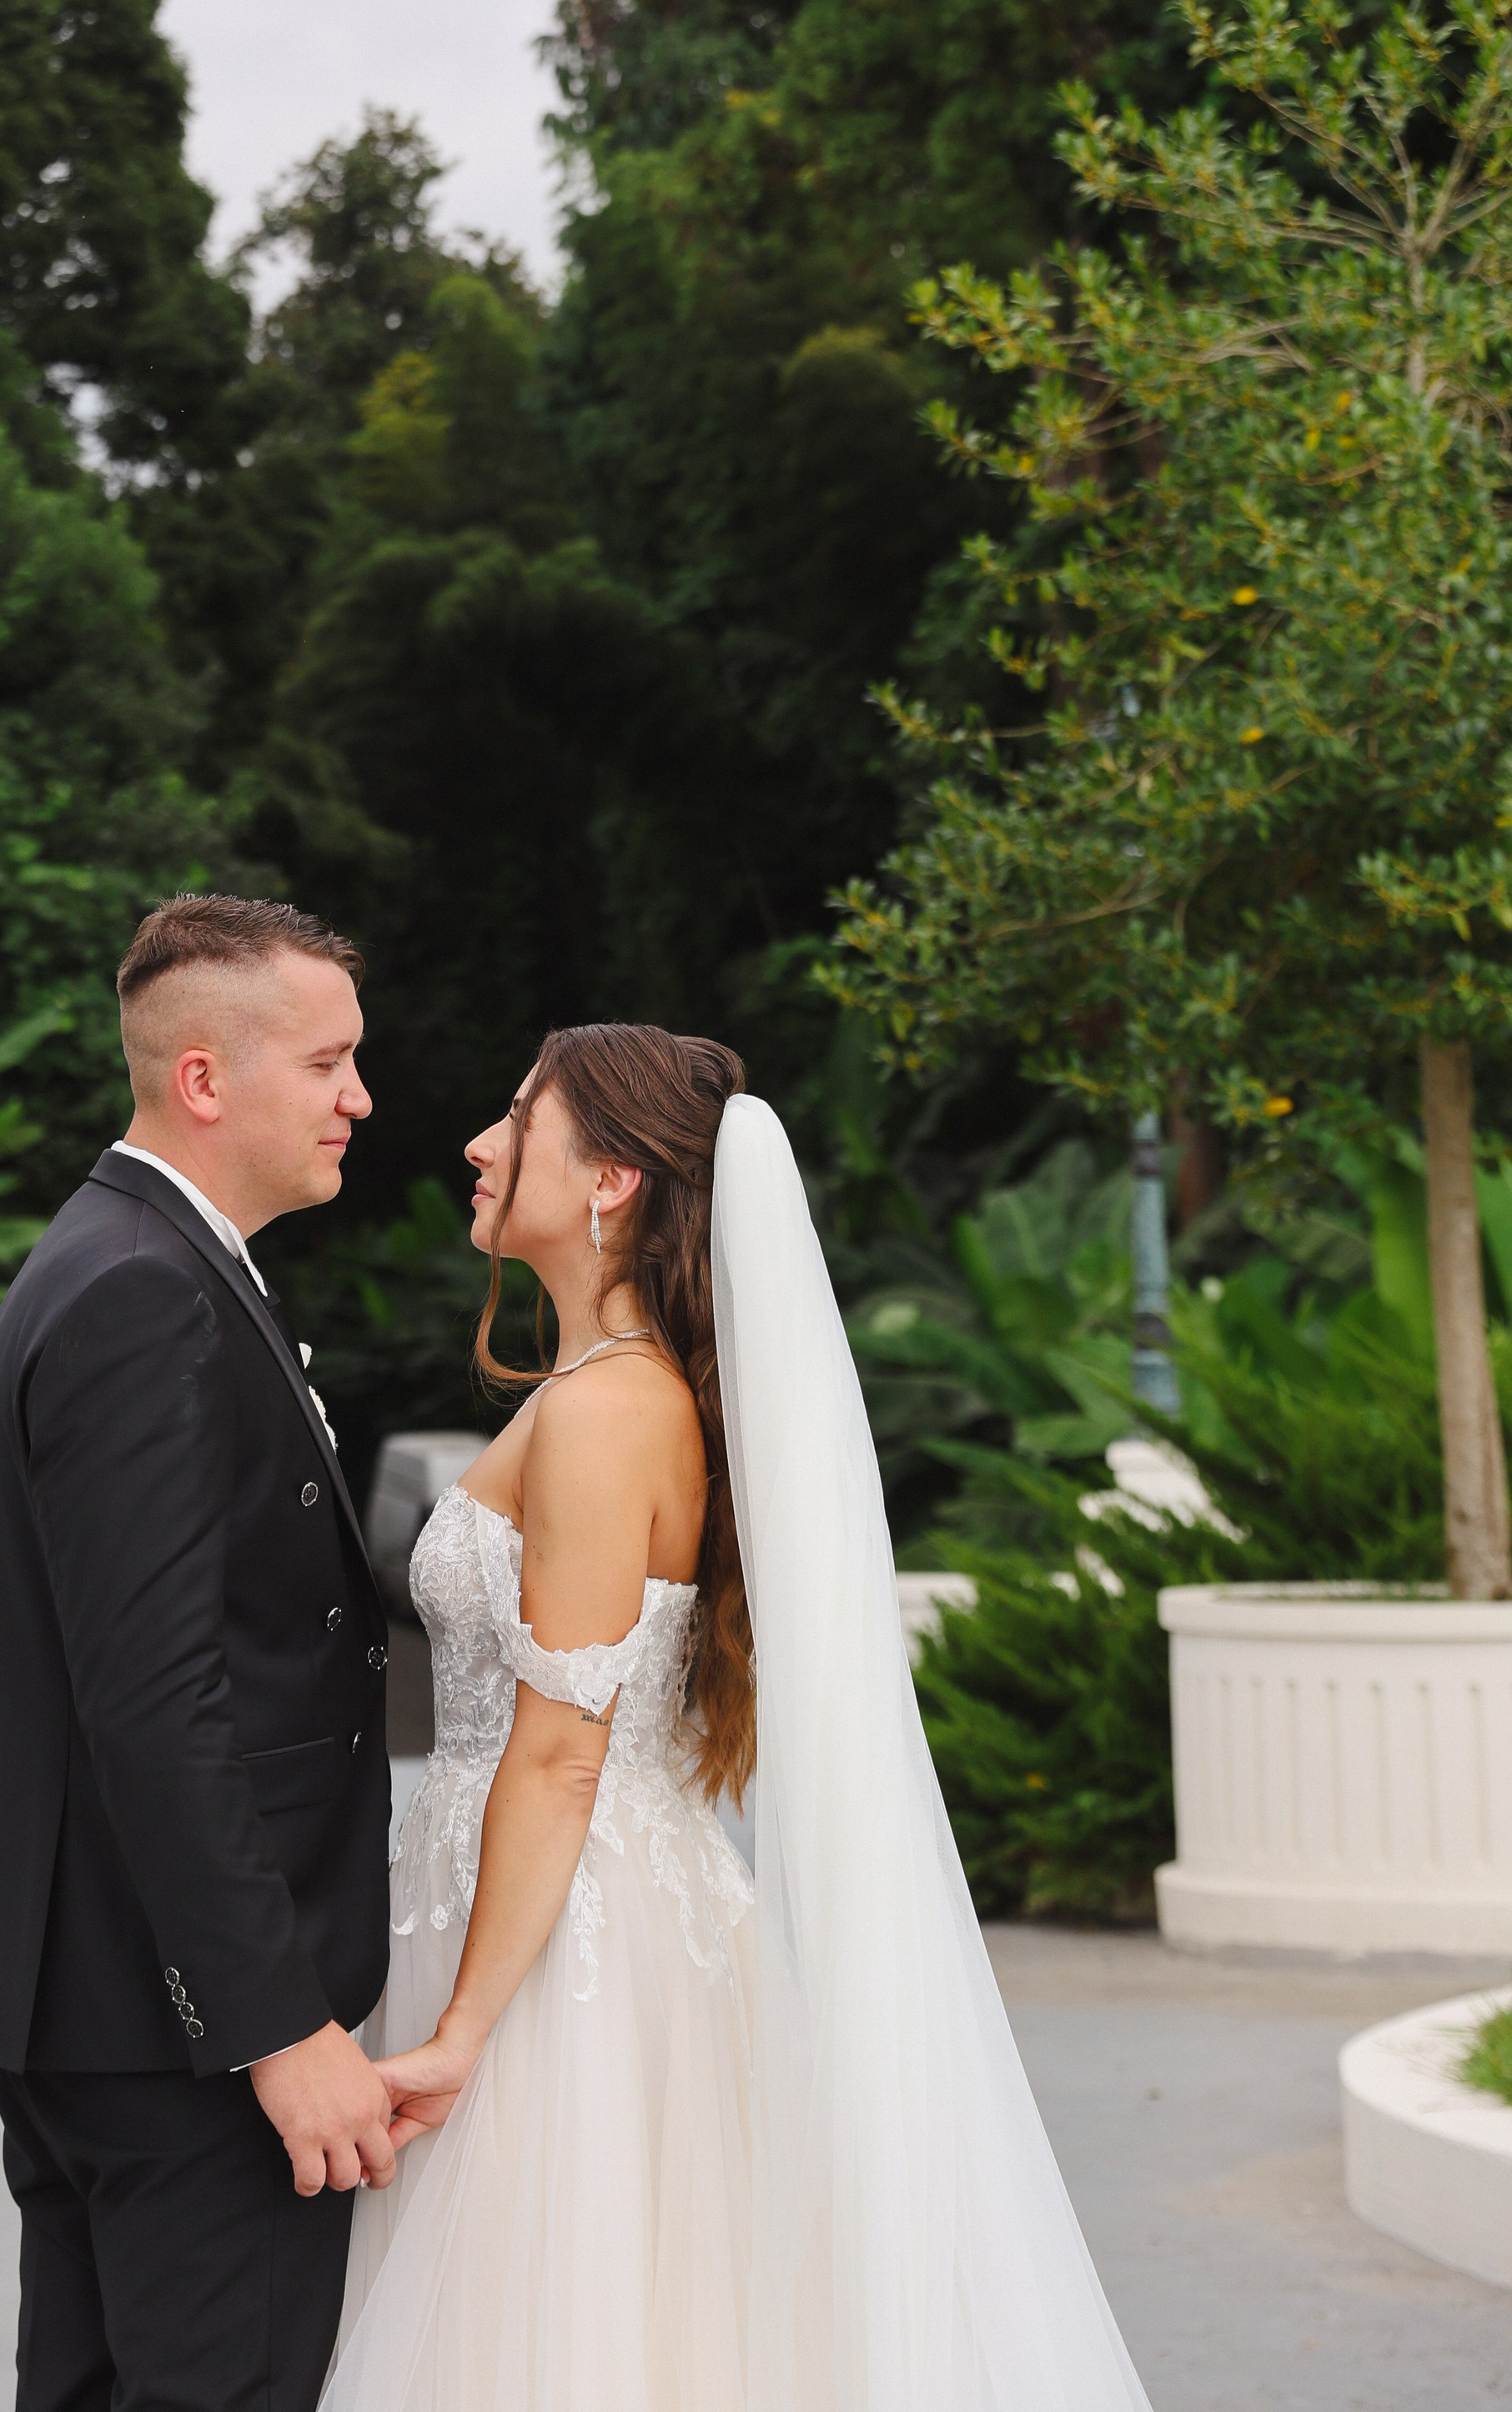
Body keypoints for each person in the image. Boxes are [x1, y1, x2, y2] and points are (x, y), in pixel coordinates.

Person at [324, 1023, 1155, 2412]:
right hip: (540, 1905)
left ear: (611, 1182)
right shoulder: (600, 1395)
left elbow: (561, 1748)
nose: (476, 1144)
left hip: (562, 1952)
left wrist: (464, 2030)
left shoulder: (605, 1417)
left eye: (517, 1117)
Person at [0, 892, 397, 2412]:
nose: (359, 1098)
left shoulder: (118, 1259)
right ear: (205, 1079)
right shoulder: (141, 1290)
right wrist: (274, 2024)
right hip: (178, 2030)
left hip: (99, 2009)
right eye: (327, 1063)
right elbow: (154, 1699)